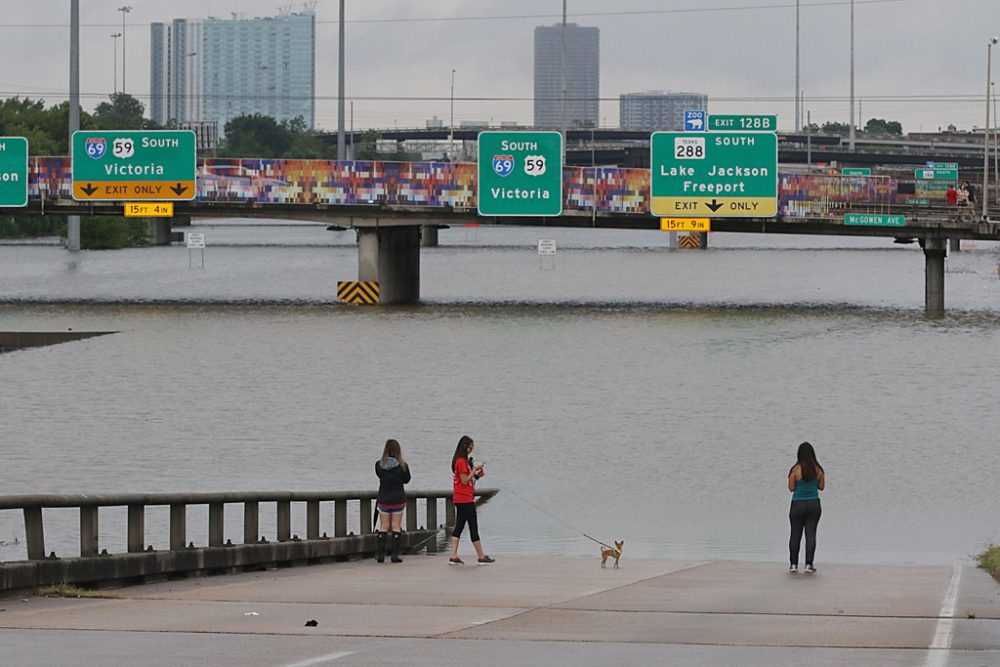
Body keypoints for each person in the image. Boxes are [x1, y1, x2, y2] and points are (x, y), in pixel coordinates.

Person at [448, 435, 495, 565]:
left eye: (472, 448)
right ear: (464, 446)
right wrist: (474, 468)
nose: (470, 450)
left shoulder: (461, 461)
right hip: (465, 500)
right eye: (469, 447)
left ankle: (453, 556)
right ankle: (481, 557)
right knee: (473, 526)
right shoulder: (461, 462)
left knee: (459, 526)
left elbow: (468, 479)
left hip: (461, 498)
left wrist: (476, 474)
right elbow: (464, 481)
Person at [788, 441, 825, 574]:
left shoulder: (795, 470)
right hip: (814, 504)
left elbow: (791, 488)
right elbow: (821, 487)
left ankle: (793, 564)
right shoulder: (818, 469)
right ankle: (809, 564)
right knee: (811, 534)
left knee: (795, 534)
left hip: (798, 504)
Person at [375, 438, 410, 563]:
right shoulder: (402, 466)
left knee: (383, 526)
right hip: (398, 499)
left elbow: (379, 475)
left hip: (384, 498)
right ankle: (395, 555)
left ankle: (381, 555)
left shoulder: (379, 465)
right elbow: (407, 480)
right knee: (396, 526)